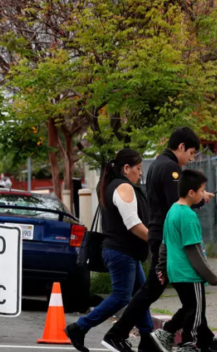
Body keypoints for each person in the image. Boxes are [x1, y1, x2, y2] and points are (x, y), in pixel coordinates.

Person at [101, 127, 217, 352]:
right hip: (168, 239)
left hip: (161, 236)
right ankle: (122, 334)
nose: (190, 159)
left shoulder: (157, 163)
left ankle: (198, 338)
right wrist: (201, 199)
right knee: (172, 292)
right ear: (181, 147)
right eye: (192, 153)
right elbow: (178, 201)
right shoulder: (170, 167)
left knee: (173, 294)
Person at [65, 149, 153, 352]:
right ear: (126, 168)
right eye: (138, 169)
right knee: (122, 296)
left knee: (141, 295)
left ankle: (148, 337)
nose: (140, 173)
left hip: (124, 252)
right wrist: (156, 239)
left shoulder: (111, 185)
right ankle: (79, 327)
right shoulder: (123, 187)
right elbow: (132, 224)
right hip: (121, 252)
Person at [152, 170, 217, 352]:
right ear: (191, 192)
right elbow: (194, 251)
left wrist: (162, 268)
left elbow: (164, 245)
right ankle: (189, 344)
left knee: (189, 308)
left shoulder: (172, 211)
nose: (203, 195)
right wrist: (211, 276)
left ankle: (173, 335)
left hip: (176, 271)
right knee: (196, 311)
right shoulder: (188, 216)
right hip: (189, 272)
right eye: (201, 191)